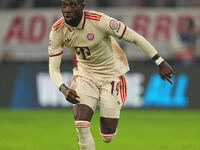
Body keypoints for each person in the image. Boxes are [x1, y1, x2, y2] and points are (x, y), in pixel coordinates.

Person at [48, 0, 174, 149]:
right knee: (81, 124)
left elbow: (135, 38)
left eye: (72, 5)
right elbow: (54, 68)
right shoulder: (58, 30)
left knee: (108, 135)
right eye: (64, 6)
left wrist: (160, 62)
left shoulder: (100, 21)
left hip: (111, 75)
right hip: (85, 74)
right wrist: (63, 88)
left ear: (82, 7)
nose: (67, 10)